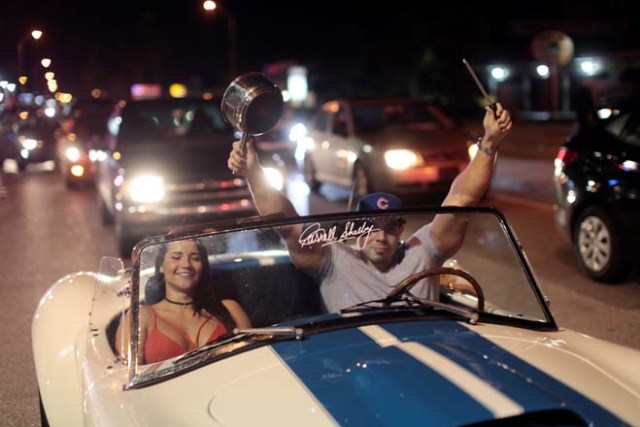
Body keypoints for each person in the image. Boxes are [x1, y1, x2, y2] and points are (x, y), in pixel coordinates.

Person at [227, 103, 512, 312]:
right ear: (357, 230)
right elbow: (287, 223)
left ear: (401, 229)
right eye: (371, 228)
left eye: (389, 228)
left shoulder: (422, 253)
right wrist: (253, 172)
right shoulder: (334, 261)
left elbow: (461, 199)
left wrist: (489, 142)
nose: (380, 236)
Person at [115, 238, 251, 364]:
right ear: (161, 266)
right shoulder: (140, 317)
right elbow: (127, 375)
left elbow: (253, 362)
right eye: (176, 257)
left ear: (202, 267)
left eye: (195, 258)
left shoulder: (230, 309)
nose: (186, 264)